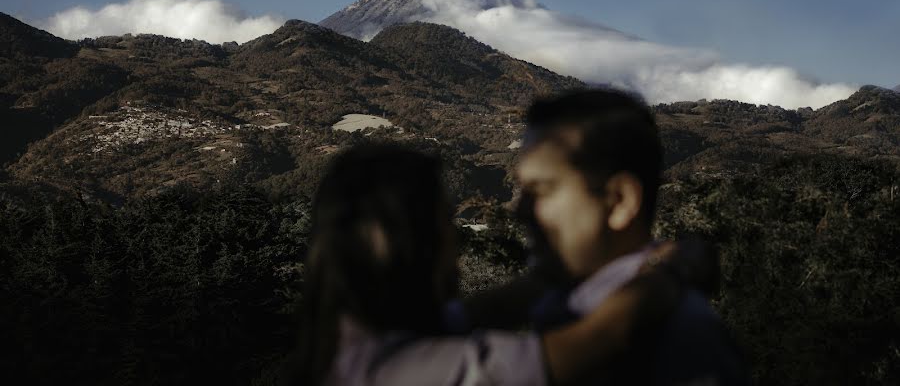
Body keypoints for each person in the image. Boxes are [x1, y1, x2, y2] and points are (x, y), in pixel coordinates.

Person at [284, 143, 705, 386]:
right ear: (411, 244)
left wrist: (558, 272)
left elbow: (484, 310)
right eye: (443, 222)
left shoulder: (355, 333)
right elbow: (601, 337)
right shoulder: (402, 371)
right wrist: (672, 268)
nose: (455, 240)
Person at [503, 88, 747, 385]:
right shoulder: (564, 303)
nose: (521, 211)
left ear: (619, 200)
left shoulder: (681, 341)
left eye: (542, 190)